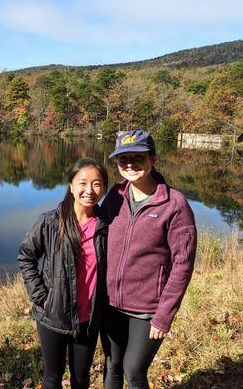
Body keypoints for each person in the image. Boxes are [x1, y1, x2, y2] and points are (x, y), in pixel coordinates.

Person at [101, 130, 197, 389]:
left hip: (147, 309)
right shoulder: (115, 196)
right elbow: (92, 231)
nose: (130, 164)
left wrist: (164, 315)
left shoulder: (174, 204)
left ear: (153, 158)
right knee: (112, 365)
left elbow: (183, 265)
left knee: (133, 371)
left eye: (138, 157)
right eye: (123, 159)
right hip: (110, 305)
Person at [18, 158, 108, 389]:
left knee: (81, 379)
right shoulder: (50, 222)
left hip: (88, 320)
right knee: (52, 378)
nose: (89, 190)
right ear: (70, 185)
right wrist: (41, 297)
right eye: (83, 183)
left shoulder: (106, 226)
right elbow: (26, 255)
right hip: (53, 316)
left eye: (97, 184)